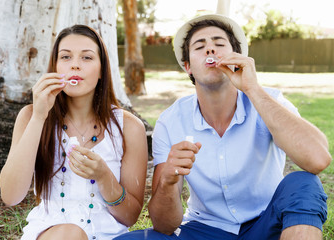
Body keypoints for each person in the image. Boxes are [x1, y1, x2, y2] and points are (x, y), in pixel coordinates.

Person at [115, 14, 331, 240]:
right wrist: (168, 179)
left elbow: (318, 159)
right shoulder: (171, 122)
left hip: (267, 226)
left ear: (237, 58)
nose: (210, 50)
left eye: (219, 44)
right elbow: (164, 226)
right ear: (188, 66)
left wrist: (253, 89)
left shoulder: (269, 101)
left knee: (304, 183)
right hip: (204, 230)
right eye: (200, 46)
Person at [0, 25, 148, 240]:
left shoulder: (129, 127)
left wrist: (104, 177)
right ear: (55, 67)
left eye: (86, 58)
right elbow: (10, 196)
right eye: (66, 57)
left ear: (101, 71)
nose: (75, 65)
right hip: (50, 232)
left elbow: (130, 216)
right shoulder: (31, 116)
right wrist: (40, 116)